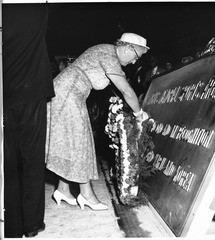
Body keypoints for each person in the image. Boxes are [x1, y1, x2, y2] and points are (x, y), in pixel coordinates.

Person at [46, 33, 149, 211]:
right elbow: (127, 91)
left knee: (70, 142)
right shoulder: (109, 55)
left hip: (69, 94)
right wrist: (139, 113)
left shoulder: (107, 53)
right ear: (127, 48)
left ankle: (63, 189)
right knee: (80, 142)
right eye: (136, 56)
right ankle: (86, 194)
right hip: (68, 95)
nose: (134, 62)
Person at [2, 4, 55, 238]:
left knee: (8, 160)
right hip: (31, 89)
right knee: (32, 159)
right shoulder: (36, 8)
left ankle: (11, 226)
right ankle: (32, 224)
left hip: (5, 90)